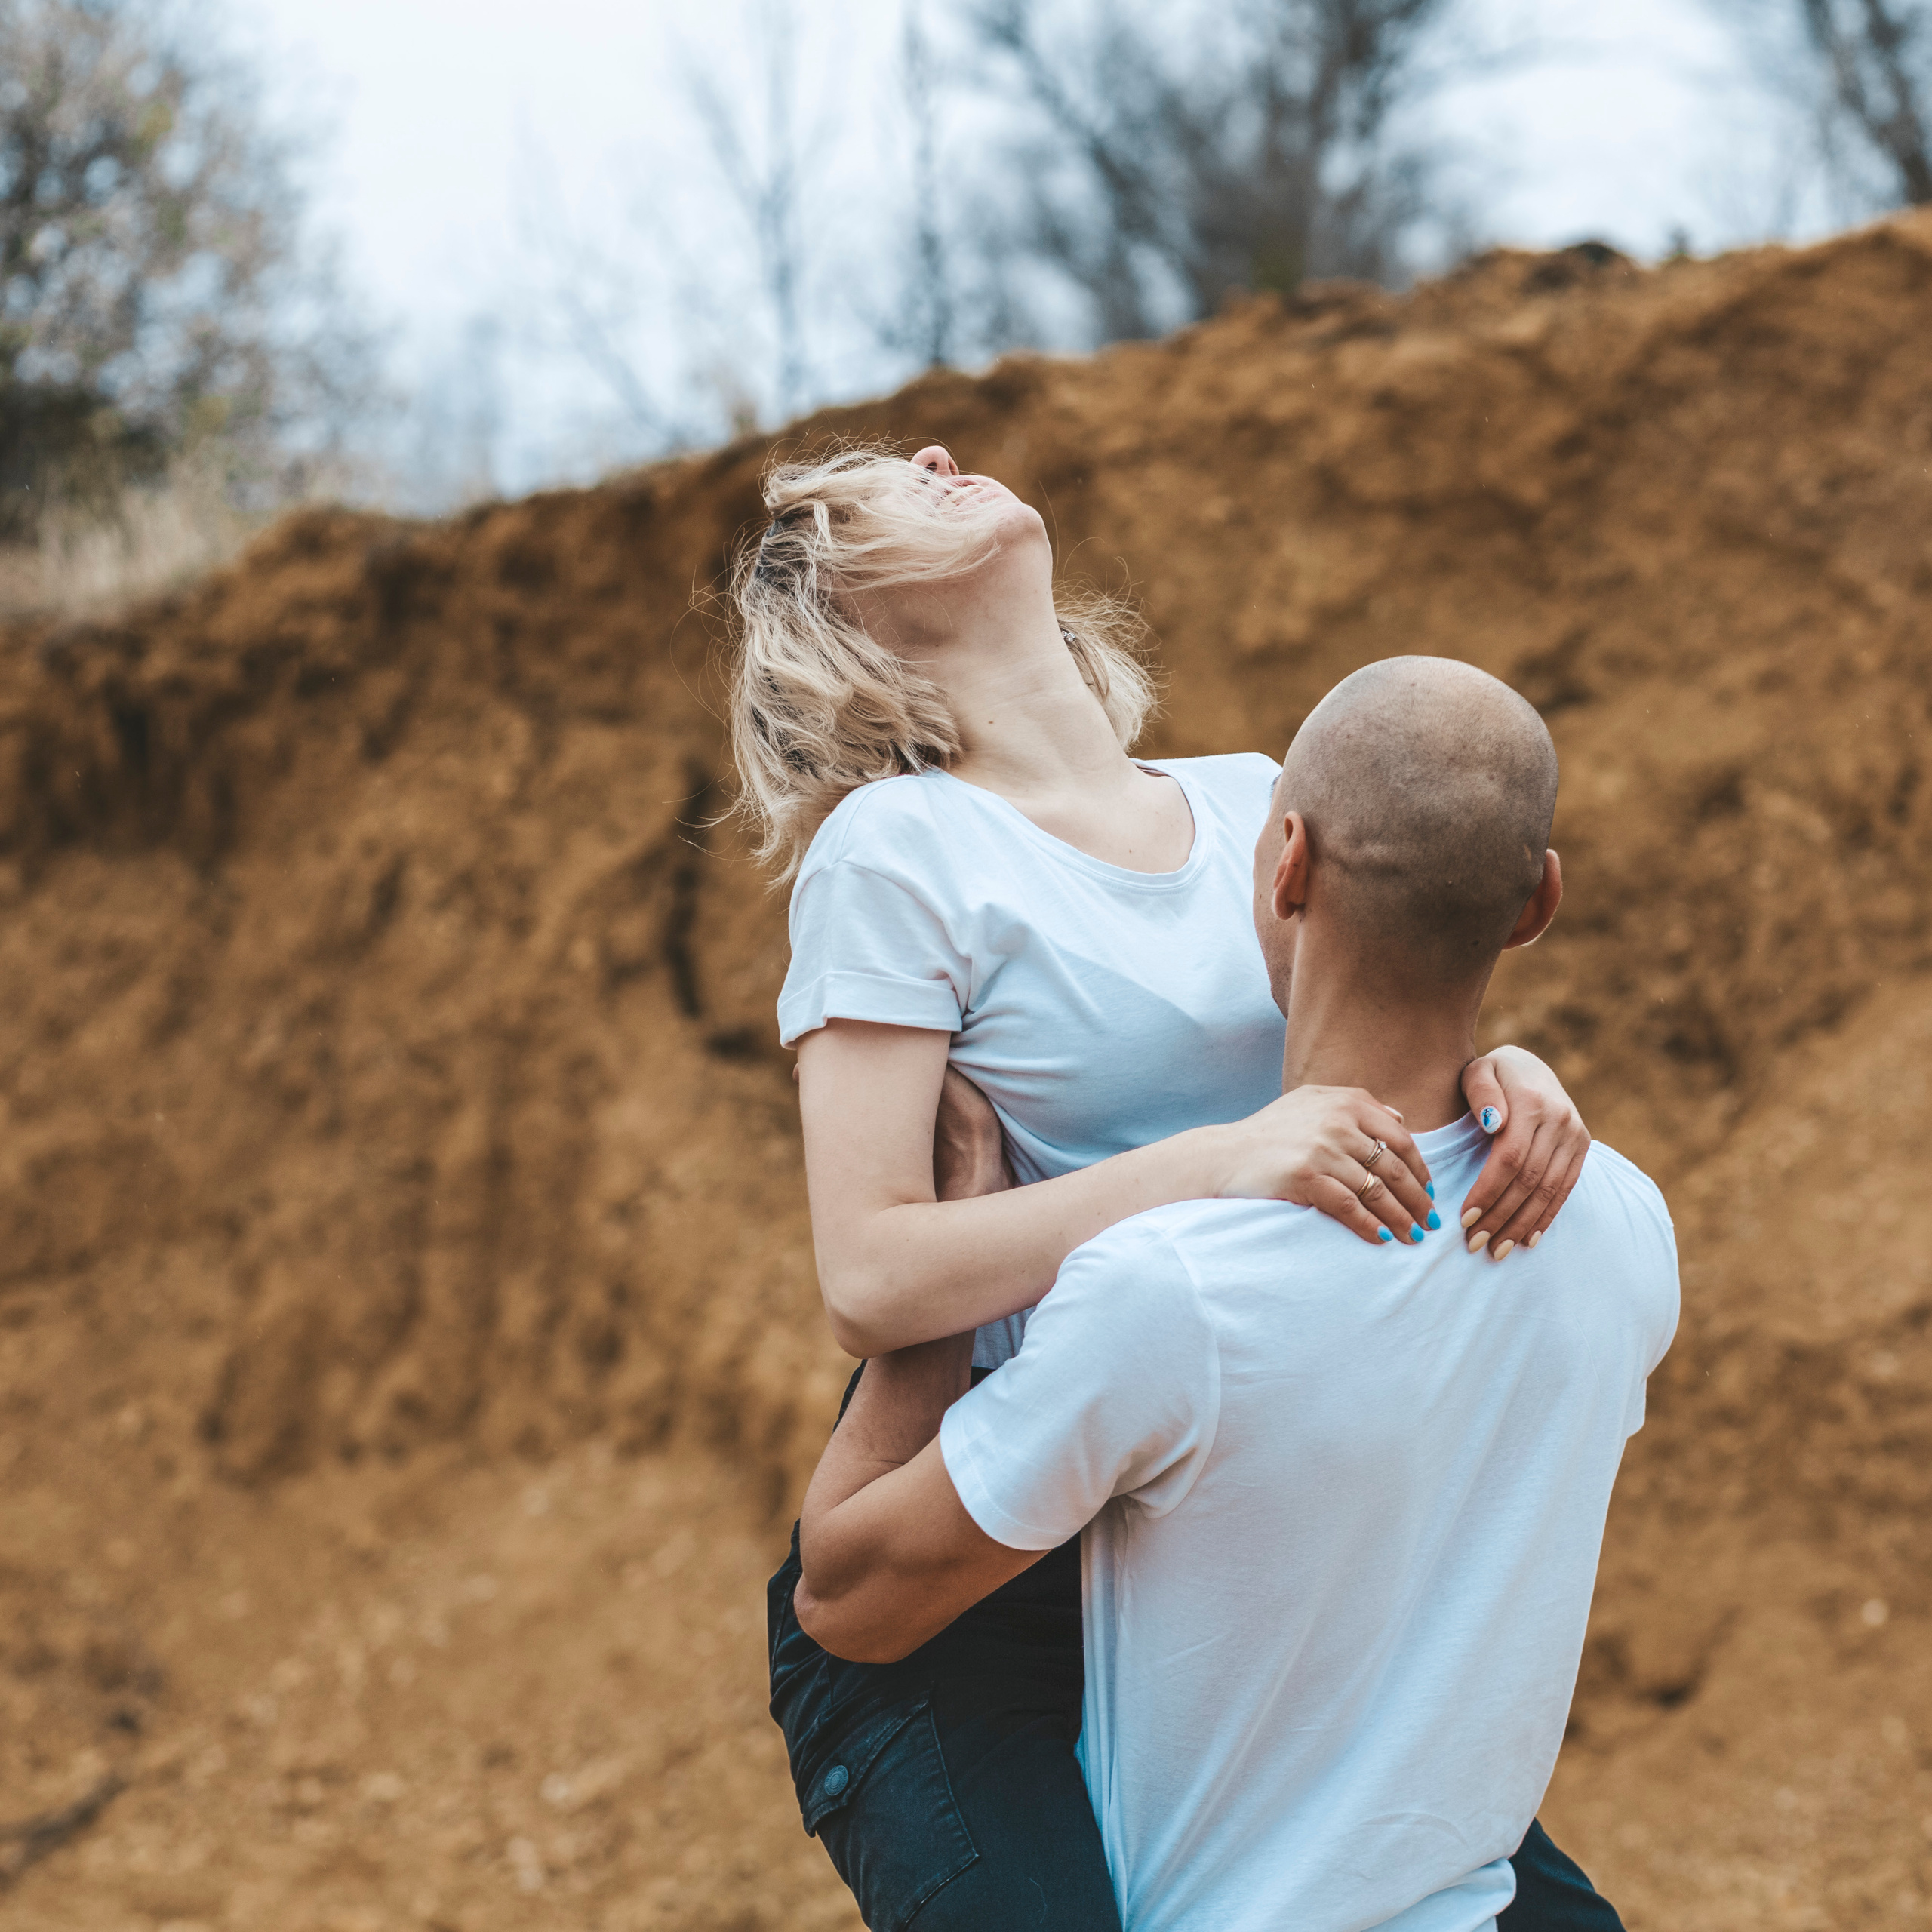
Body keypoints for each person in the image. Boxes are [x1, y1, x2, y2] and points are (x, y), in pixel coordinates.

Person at [736, 445, 1610, 1930]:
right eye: (875, 484)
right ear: (845, 613)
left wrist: (1506, 1067)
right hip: (969, 1588)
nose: (938, 454)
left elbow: (1383, 1027)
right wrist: (1207, 1161)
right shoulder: (898, 851)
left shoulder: (1253, 797)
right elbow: (869, 1275)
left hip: (1226, 1552)